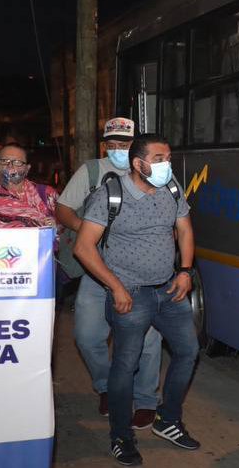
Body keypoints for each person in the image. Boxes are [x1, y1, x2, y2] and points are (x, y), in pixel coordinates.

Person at [73, 133, 199, 466]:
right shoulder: (110, 194)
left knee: (188, 351)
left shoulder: (171, 187)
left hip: (168, 289)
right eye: (159, 159)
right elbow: (83, 247)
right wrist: (115, 287)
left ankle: (168, 420)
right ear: (138, 163)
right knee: (125, 365)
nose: (166, 164)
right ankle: (121, 436)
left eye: (168, 158)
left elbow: (184, 229)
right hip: (130, 293)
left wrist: (185, 271)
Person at [57, 117, 164, 426]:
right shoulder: (92, 171)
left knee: (147, 340)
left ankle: (145, 398)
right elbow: (62, 209)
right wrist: (87, 228)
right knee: (87, 336)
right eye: (112, 144)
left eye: (125, 144)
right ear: (104, 145)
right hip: (97, 269)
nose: (118, 150)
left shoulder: (153, 172)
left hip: (140, 273)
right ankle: (107, 386)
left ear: (136, 146)